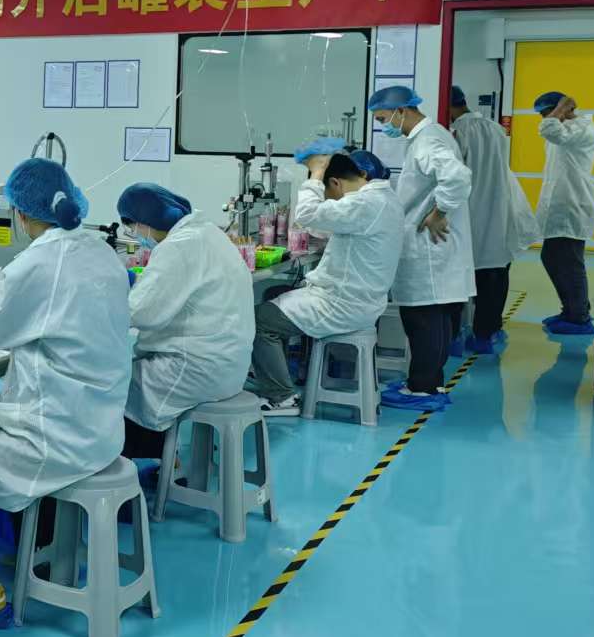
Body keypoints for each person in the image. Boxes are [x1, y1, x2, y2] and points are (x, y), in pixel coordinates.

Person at [0, 156, 130, 624]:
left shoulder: (42, 261)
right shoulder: (100, 252)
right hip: (99, 428)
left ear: (20, 214)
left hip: (55, 439)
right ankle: (38, 545)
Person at [251, 148, 402, 412]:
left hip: (340, 304)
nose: (329, 201)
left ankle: (281, 397)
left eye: (327, 194)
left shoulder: (363, 204)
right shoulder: (384, 200)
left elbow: (307, 215)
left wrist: (316, 174)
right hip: (363, 300)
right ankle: (272, 372)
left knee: (257, 320)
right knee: (274, 294)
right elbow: (325, 225)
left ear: (335, 182)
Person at [115, 182, 253, 458]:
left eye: (132, 227)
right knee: (132, 377)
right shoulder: (209, 233)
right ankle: (163, 459)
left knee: (111, 385)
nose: (135, 235)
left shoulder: (178, 246)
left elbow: (139, 312)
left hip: (194, 368)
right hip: (229, 365)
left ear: (145, 221)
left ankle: (144, 461)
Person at [368, 85, 475, 411]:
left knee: (423, 320)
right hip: (435, 249)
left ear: (402, 110)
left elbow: (457, 177)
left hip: (428, 247)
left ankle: (422, 389)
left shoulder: (427, 141)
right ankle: (431, 383)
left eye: (384, 119)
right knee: (437, 318)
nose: (384, 126)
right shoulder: (430, 136)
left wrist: (439, 212)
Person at [449, 86, 537, 353]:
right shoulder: (495, 128)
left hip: (470, 209)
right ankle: (486, 335)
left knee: (459, 278)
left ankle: (453, 337)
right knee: (495, 274)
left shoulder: (458, 132)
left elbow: (454, 176)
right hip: (500, 207)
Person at [533, 91, 594, 335]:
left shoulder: (583, 129)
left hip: (573, 204)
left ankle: (579, 318)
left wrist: (561, 107)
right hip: (561, 204)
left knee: (570, 263)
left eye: (548, 112)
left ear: (564, 109)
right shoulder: (566, 130)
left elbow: (549, 130)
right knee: (552, 258)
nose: (546, 118)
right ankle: (572, 310)